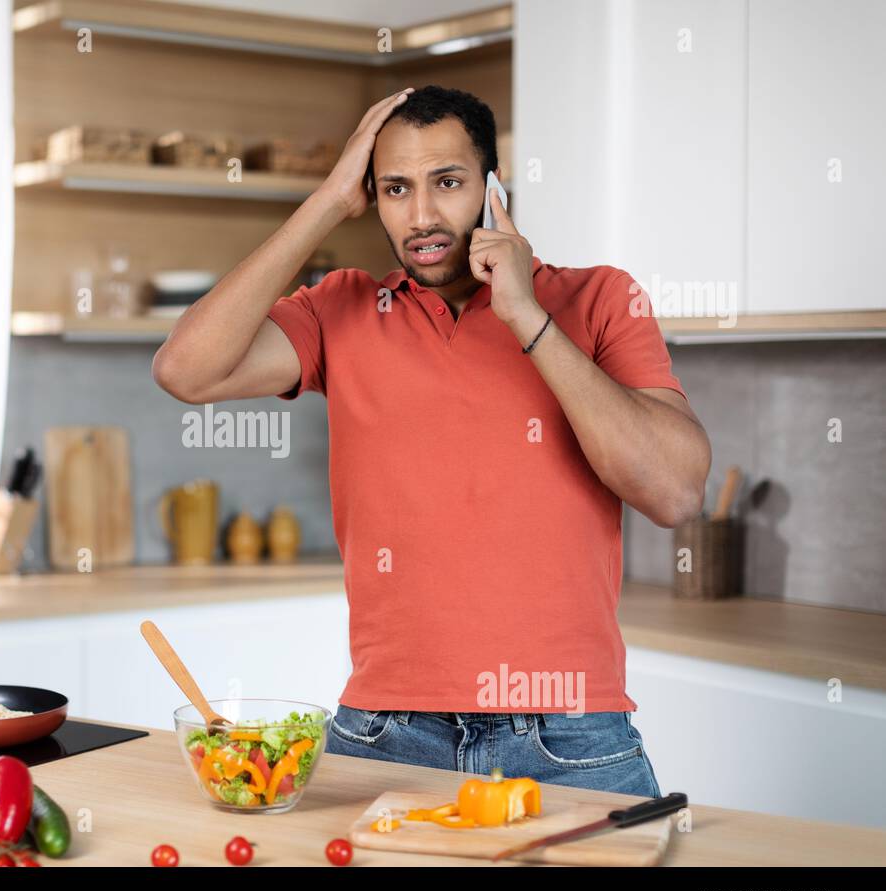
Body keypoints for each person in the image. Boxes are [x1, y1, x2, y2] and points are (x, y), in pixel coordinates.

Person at [150, 85, 711, 797]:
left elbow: (674, 490)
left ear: (491, 186)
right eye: (394, 189)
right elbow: (184, 370)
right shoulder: (343, 309)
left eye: (447, 183)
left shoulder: (598, 299)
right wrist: (326, 201)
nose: (420, 216)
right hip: (387, 732)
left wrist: (526, 318)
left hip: (569, 734)